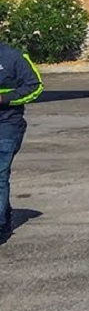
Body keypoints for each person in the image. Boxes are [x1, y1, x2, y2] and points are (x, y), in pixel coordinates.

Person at [0, 42, 41, 235]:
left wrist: (5, 99)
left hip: (7, 125)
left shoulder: (14, 57)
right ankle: (4, 215)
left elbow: (35, 86)